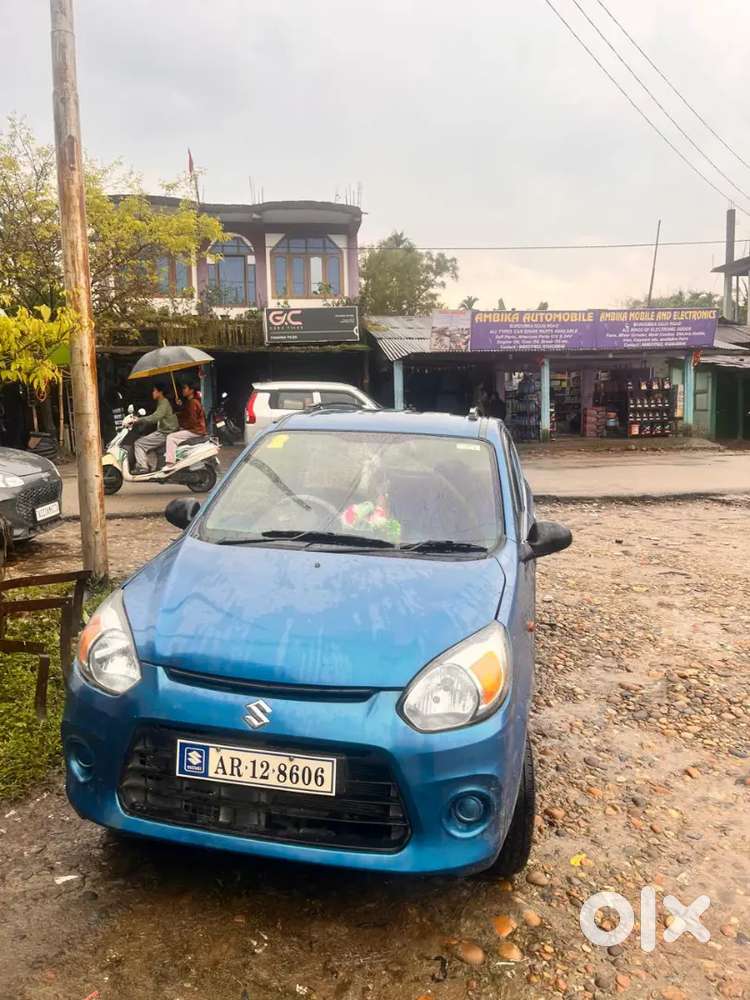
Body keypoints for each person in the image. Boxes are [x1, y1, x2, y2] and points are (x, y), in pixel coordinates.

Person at [133, 381, 179, 473]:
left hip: (165, 433)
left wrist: (139, 420)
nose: (152, 393)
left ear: (160, 392)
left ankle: (143, 467)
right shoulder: (162, 402)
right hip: (166, 431)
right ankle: (152, 466)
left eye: (154, 390)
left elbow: (156, 417)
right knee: (145, 440)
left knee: (138, 443)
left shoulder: (164, 402)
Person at [163, 380, 207, 470]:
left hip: (195, 430)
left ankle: (170, 464)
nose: (183, 390)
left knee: (170, 437)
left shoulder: (193, 403)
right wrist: (180, 405)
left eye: (185, 388)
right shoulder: (191, 402)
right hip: (196, 429)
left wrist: (183, 427)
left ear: (191, 390)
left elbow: (192, 420)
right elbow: (185, 414)